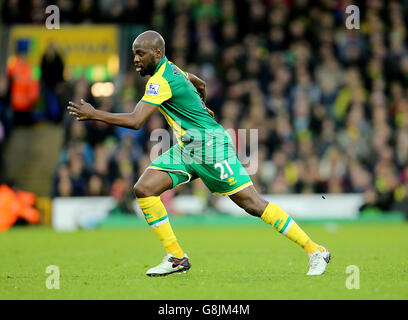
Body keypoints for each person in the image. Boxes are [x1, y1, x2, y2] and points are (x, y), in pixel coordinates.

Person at [67, 30, 331, 277]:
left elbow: (137, 121)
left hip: (212, 148)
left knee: (251, 203)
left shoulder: (161, 80)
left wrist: (94, 114)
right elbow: (199, 82)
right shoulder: (174, 70)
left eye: (140, 53)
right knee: (144, 188)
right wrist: (202, 105)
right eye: (134, 54)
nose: (135, 59)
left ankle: (315, 250)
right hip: (188, 148)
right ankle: (176, 257)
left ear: (157, 54)